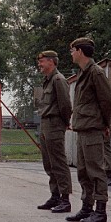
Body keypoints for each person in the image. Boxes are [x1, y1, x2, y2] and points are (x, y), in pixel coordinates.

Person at [65, 37, 111, 222]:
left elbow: (109, 102)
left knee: (96, 170)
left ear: (80, 51)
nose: (71, 54)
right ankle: (87, 207)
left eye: (72, 50)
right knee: (83, 172)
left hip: (93, 129)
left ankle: (100, 211)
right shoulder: (84, 73)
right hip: (83, 128)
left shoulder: (95, 73)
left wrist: (106, 124)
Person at [35, 50, 73, 213]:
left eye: (42, 61)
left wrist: (64, 123)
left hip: (55, 124)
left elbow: (65, 105)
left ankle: (65, 199)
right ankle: (55, 195)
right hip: (46, 124)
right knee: (49, 163)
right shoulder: (47, 80)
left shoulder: (58, 80)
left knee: (58, 162)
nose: (39, 64)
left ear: (51, 62)